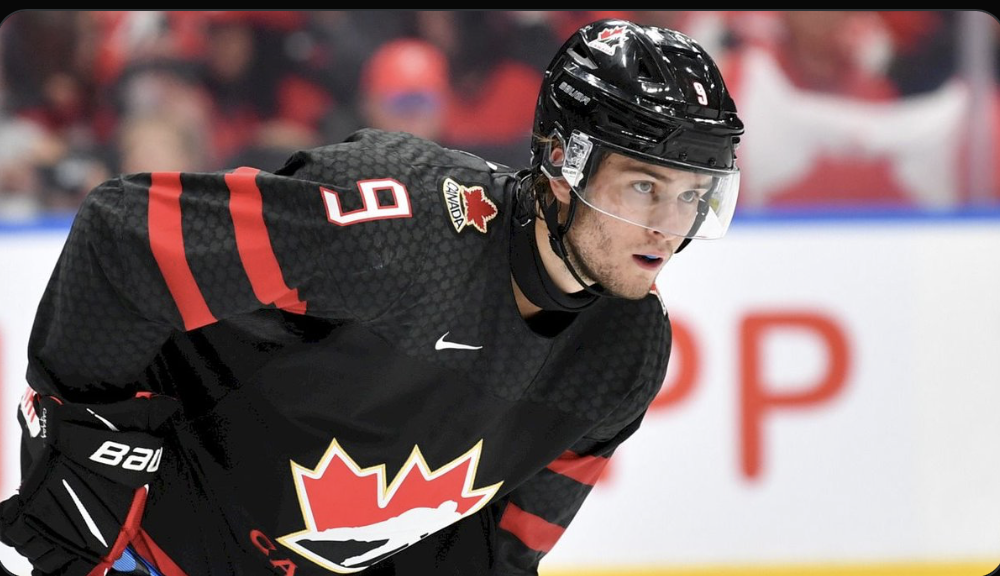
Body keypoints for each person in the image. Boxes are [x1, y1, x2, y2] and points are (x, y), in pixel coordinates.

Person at [0, 18, 743, 576]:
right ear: (559, 161)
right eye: (643, 186)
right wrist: (87, 451)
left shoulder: (628, 351)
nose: (667, 228)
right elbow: (126, 236)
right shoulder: (400, 227)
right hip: (148, 546)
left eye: (691, 197)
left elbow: (495, 551)